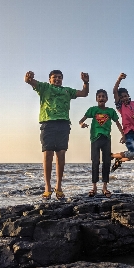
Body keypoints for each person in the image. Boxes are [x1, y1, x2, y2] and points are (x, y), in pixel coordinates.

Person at [24, 70, 89, 200]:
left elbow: (84, 93)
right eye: (54, 77)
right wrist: (28, 77)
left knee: (61, 154)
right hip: (47, 124)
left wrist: (86, 82)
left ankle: (58, 187)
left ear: (62, 80)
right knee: (47, 154)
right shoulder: (44, 87)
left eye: (59, 77)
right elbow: (29, 81)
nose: (57, 79)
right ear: (50, 79)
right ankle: (47, 187)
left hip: (63, 124)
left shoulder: (67, 91)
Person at [79, 89, 125, 198]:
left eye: (103, 96)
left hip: (106, 139)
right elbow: (81, 120)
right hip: (95, 138)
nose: (101, 98)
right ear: (96, 99)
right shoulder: (92, 110)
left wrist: (123, 135)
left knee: (107, 162)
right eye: (99, 96)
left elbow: (118, 123)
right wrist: (81, 124)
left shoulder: (110, 111)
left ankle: (105, 187)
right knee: (95, 162)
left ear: (106, 99)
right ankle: (94, 187)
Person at [110, 73, 134, 172]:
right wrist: (119, 79)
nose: (124, 98)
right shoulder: (121, 106)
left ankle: (119, 160)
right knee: (132, 153)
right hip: (127, 132)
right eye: (122, 97)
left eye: (125, 96)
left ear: (128, 95)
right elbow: (115, 91)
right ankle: (112, 155)